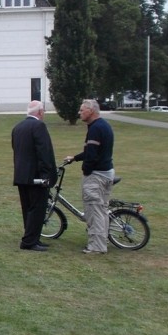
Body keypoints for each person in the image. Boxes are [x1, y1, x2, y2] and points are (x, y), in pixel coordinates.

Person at [64, 99, 115, 254]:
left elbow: (92, 156)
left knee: (94, 211)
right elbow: (90, 151)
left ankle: (97, 247)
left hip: (96, 175)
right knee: (102, 209)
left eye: (81, 110)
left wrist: (85, 170)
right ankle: (102, 239)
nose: (79, 113)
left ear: (91, 111)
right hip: (107, 172)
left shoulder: (95, 129)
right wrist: (75, 157)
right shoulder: (103, 126)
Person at [12, 100, 57, 251]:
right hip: (36, 176)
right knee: (37, 209)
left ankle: (32, 237)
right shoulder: (38, 126)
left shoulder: (18, 127)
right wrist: (46, 175)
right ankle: (29, 241)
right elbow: (44, 152)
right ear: (40, 112)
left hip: (21, 175)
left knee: (28, 208)